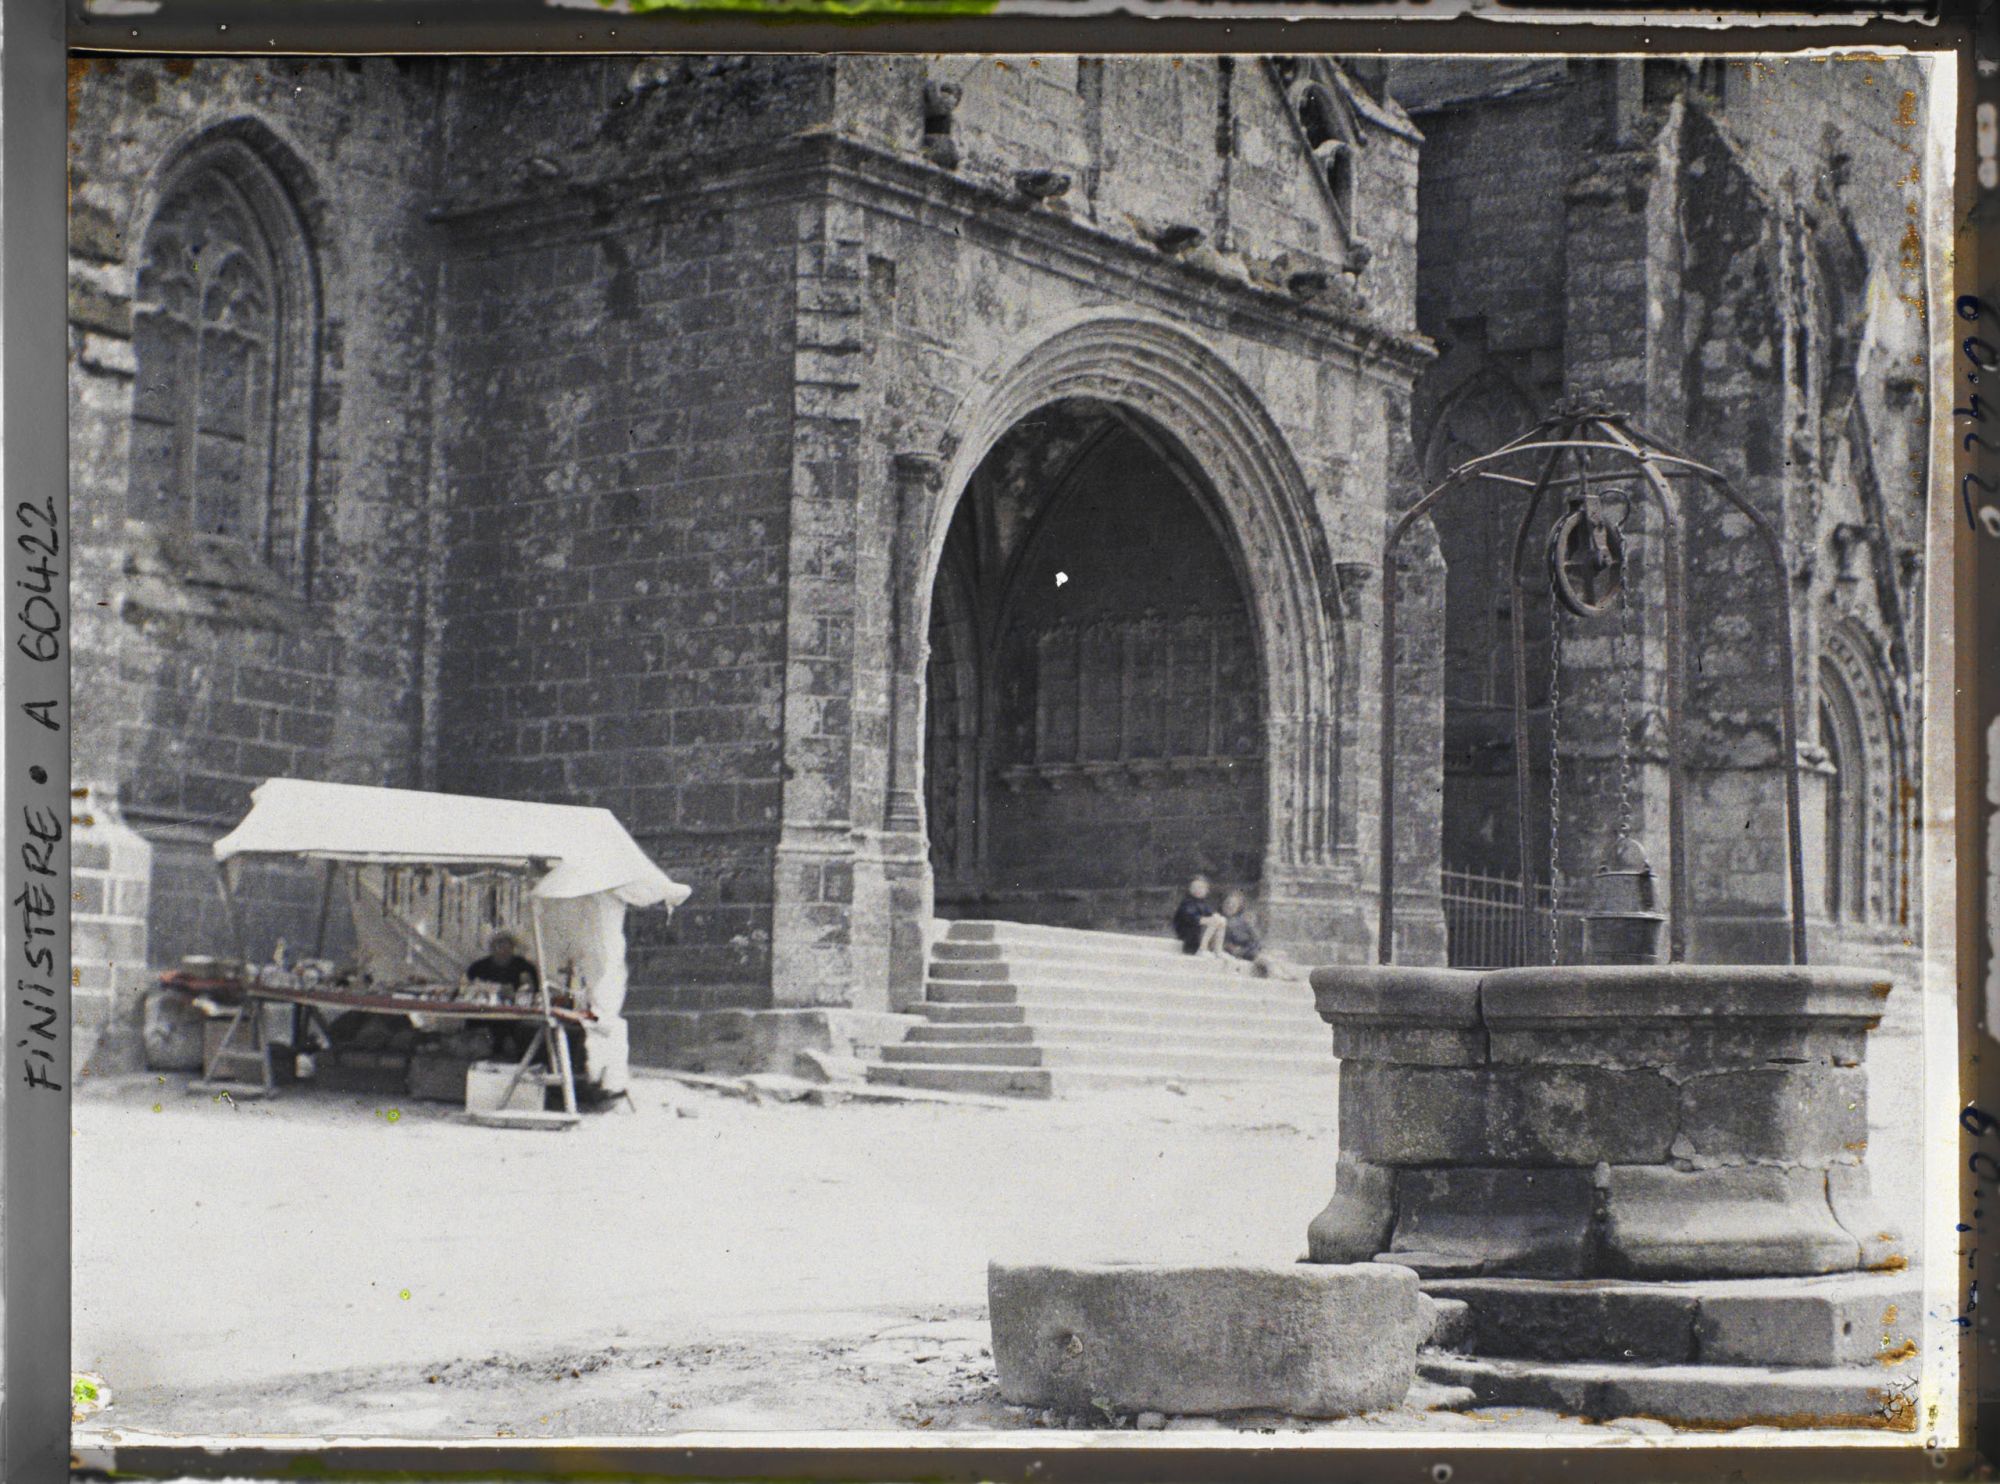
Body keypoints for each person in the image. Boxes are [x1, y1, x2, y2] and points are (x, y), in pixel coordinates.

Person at [1171, 875, 1228, 957]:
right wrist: (1208, 920)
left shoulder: (1203, 903)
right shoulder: (1187, 902)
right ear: (1189, 889)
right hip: (1189, 933)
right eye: (1194, 887)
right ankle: (1202, 949)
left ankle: (1217, 949)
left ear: (1206, 890)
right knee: (1214, 921)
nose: (1197, 890)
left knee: (1222, 920)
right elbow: (1191, 917)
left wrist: (1215, 916)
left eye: (1201, 887)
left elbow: (1210, 913)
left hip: (1198, 929)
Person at [1220, 889, 1273, 977]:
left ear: (1239, 906)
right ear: (1223, 904)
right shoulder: (1219, 920)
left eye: (1234, 904)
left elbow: (1256, 941)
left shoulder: (1245, 923)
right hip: (1233, 954)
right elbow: (1223, 944)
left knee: (1269, 958)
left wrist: (1247, 950)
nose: (1230, 906)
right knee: (1264, 960)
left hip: (1250, 952)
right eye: (1228, 903)